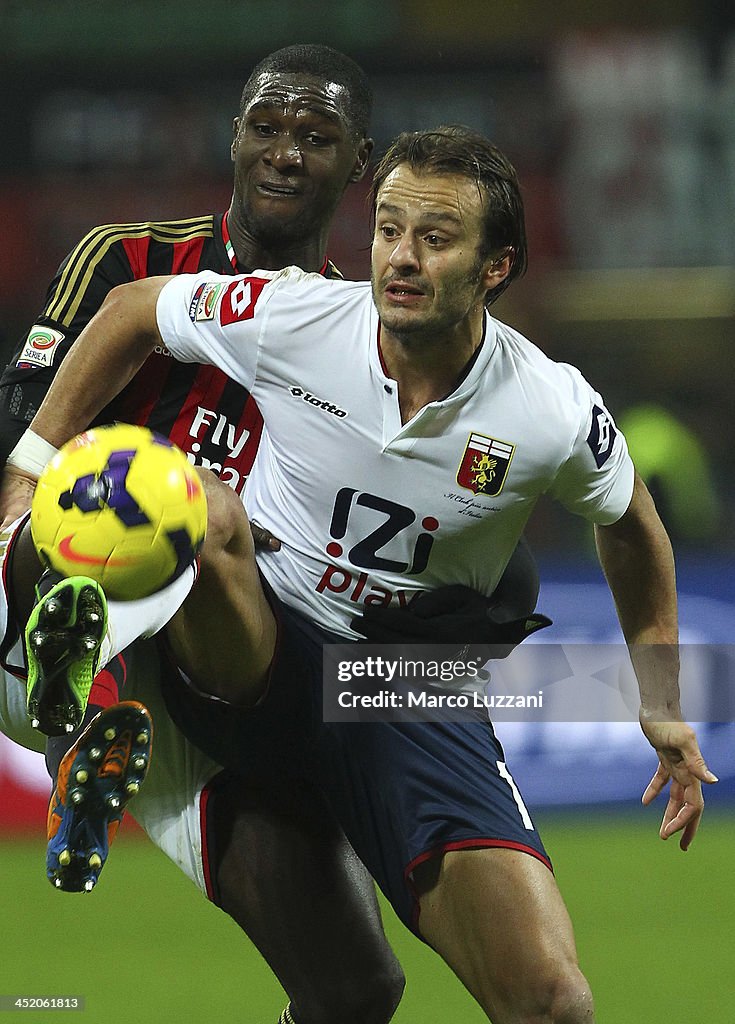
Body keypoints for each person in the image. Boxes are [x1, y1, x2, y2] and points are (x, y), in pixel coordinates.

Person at [3, 125, 717, 1022]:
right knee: (199, 505)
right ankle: (87, 666)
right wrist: (28, 467)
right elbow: (136, 307)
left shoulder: (549, 409)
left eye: (435, 237)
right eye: (387, 229)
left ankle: (92, 671)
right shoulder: (297, 316)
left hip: (400, 689)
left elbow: (632, 527)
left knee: (549, 1003)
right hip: (253, 655)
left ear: (495, 268)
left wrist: (657, 698)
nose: (401, 259)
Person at [0, 44, 408, 1024]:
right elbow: (26, 420)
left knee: (357, 990)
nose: (283, 154)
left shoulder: (365, 345)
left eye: (315, 137)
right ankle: (83, 692)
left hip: (206, 680)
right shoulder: (130, 261)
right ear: (233, 138)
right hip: (39, 597)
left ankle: (108, 730)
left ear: (360, 162)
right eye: (265, 128)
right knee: (160, 494)